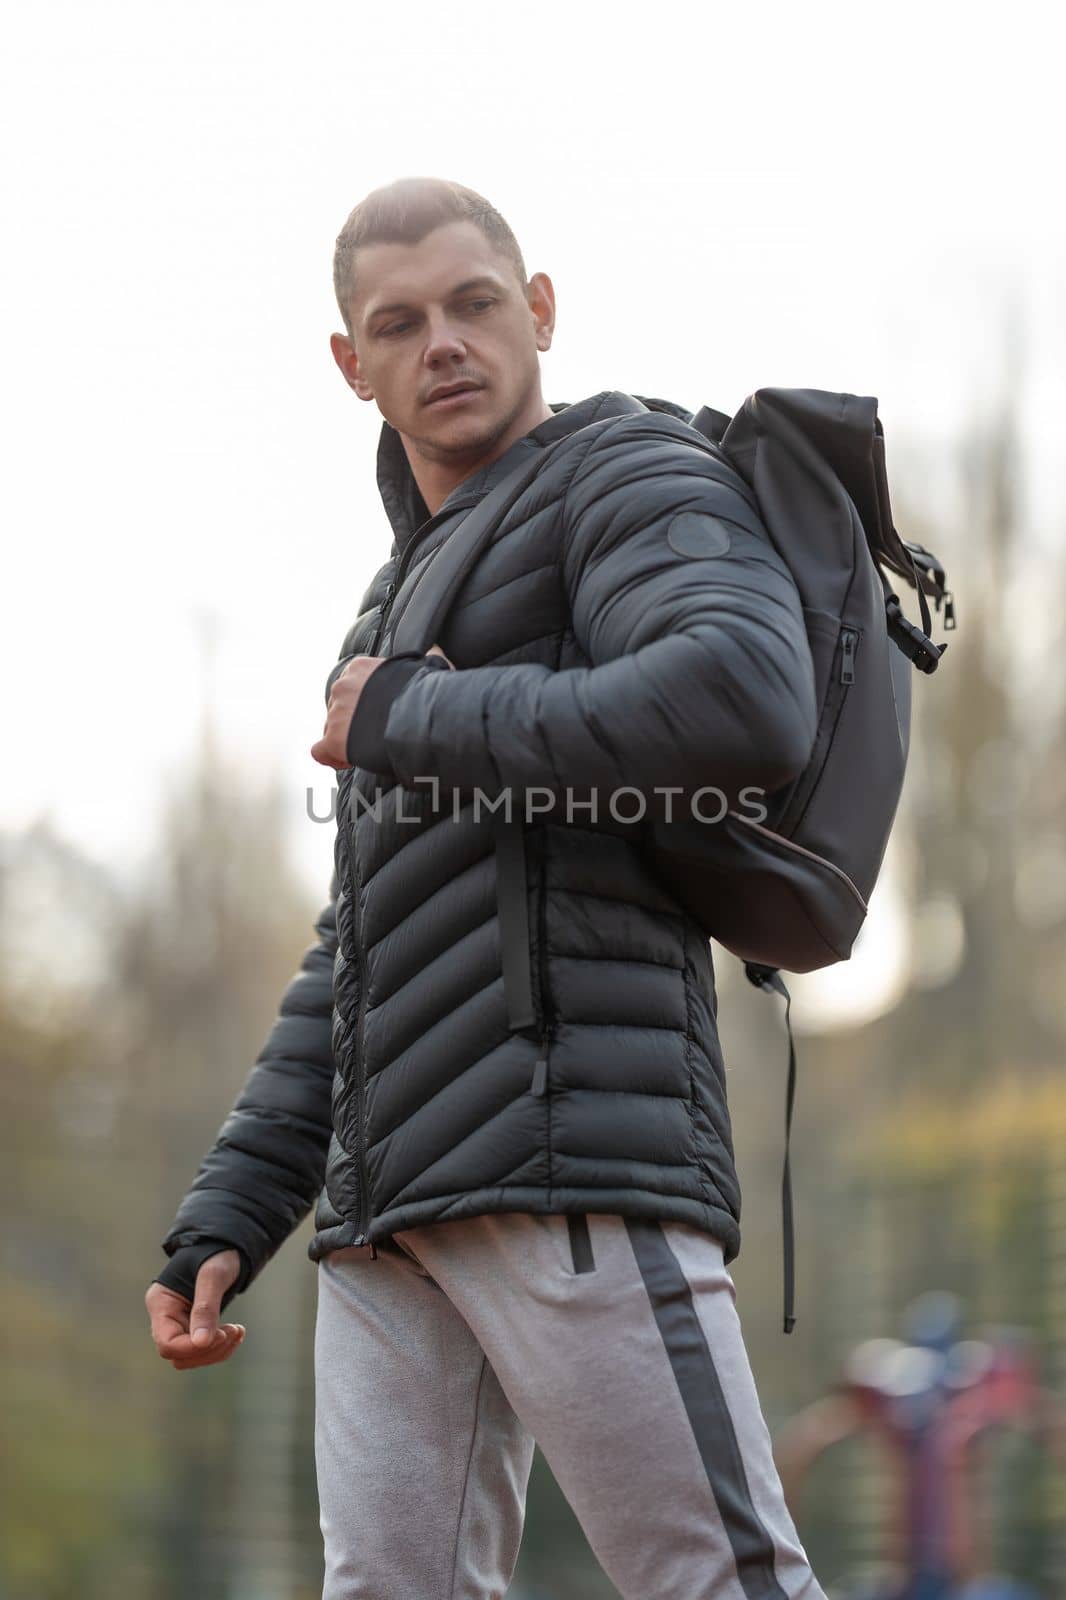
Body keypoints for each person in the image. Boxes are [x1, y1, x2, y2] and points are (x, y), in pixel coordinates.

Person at [145, 174, 827, 1600]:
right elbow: (365, 947)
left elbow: (743, 697)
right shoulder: (391, 603)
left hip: (571, 1149)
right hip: (387, 1212)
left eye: (471, 305)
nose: (442, 342)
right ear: (352, 365)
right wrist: (232, 1207)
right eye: (398, 323)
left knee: (713, 1578)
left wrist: (408, 718)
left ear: (538, 310)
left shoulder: (628, 474)